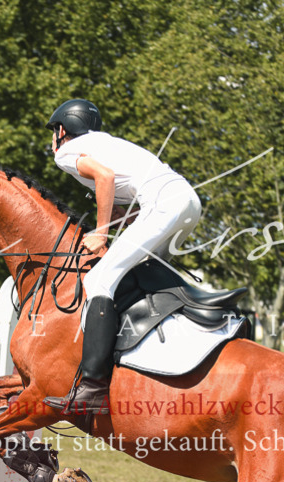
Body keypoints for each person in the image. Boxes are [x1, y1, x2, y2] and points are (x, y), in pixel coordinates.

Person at [42, 99, 202, 414]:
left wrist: (101, 233)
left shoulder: (66, 153)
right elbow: (121, 199)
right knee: (140, 273)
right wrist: (115, 220)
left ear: (62, 129)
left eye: (53, 131)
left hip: (165, 203)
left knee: (99, 279)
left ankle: (93, 387)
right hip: (189, 202)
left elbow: (104, 178)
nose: (52, 138)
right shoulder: (108, 143)